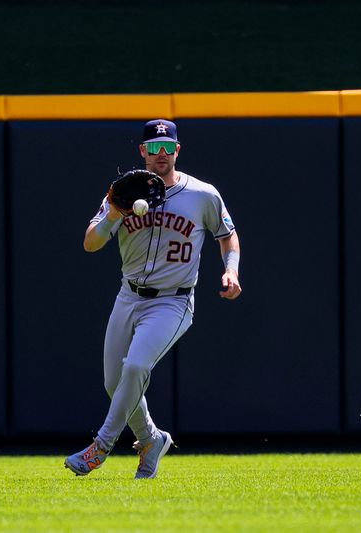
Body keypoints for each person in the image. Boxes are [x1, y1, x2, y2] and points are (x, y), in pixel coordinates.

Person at [64, 119, 242, 479]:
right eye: (154, 147)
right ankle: (151, 438)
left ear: (177, 150)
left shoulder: (203, 194)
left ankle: (101, 446)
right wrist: (113, 213)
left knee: (135, 367)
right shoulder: (122, 193)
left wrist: (231, 270)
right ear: (143, 151)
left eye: (167, 147)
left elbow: (228, 235)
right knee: (114, 383)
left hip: (173, 302)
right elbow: (90, 243)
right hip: (128, 297)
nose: (161, 154)